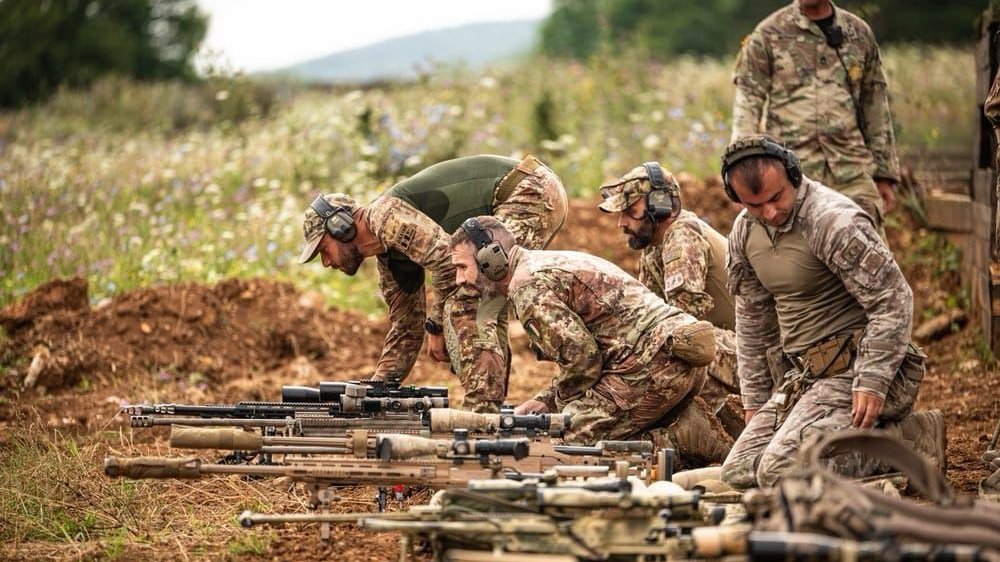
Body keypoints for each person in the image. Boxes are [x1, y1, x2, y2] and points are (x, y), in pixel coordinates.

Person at [718, 135, 943, 489]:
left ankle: (910, 440)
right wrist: (756, 401)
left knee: (778, 472)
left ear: (792, 174)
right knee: (738, 471)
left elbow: (893, 299)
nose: (770, 213)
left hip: (852, 373)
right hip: (804, 379)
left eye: (776, 198)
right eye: (754, 205)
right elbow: (752, 324)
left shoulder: (831, 221)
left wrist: (872, 379)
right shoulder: (744, 234)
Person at [449, 216, 733, 464]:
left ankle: (680, 439)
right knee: (576, 424)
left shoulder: (527, 286)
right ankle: (685, 428)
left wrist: (558, 406)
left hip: (654, 367)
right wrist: (547, 400)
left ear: (491, 261)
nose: (460, 279)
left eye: (463, 267)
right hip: (672, 359)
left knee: (559, 446)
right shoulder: (542, 264)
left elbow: (583, 361)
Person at [298, 154, 568, 413]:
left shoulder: (385, 215)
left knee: (469, 298)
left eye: (324, 249)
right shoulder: (390, 261)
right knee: (483, 296)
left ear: (340, 227)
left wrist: (436, 325)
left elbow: (446, 262)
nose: (326, 262)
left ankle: (482, 413)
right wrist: (375, 390)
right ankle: (488, 409)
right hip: (530, 191)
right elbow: (406, 329)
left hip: (527, 191)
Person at [731, 0, 901, 227]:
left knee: (868, 253)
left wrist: (885, 173)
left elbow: (875, 103)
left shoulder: (858, 34)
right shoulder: (768, 34)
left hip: (851, 169)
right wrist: (742, 172)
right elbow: (748, 103)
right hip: (791, 176)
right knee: (798, 256)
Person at [597, 163, 739, 417]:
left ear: (659, 206)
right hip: (725, 352)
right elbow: (646, 319)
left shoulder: (682, 235)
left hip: (748, 358)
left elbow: (683, 325)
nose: (621, 223)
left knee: (673, 349)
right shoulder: (654, 247)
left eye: (631, 211)